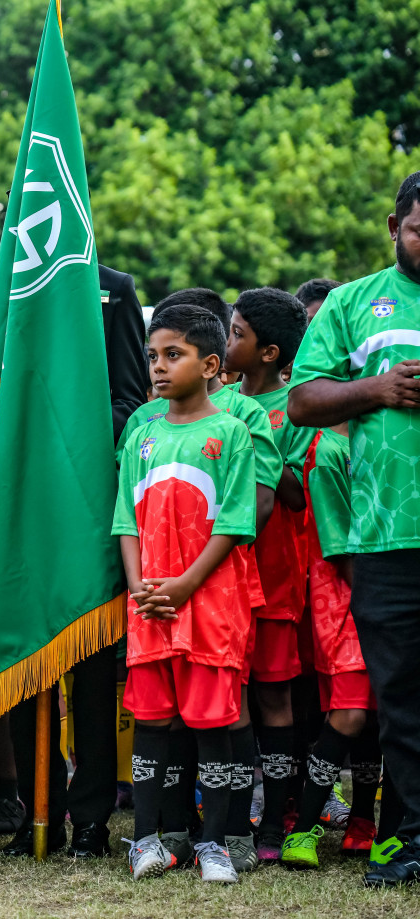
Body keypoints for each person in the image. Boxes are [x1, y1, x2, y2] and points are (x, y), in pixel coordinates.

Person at [0, 265, 149, 856]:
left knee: (92, 679)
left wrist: (68, 438)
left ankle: (91, 819)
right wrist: (26, 437)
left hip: (85, 508)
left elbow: (130, 397)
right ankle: (37, 812)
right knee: (22, 659)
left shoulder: (111, 287)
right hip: (16, 508)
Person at [116, 287, 281, 873]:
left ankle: (215, 843)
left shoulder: (232, 432)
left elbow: (237, 521)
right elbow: (125, 521)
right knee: (153, 720)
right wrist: (141, 587)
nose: (158, 366)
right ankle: (146, 839)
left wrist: (185, 584)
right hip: (151, 605)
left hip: (210, 603)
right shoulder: (141, 435)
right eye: (153, 355)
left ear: (211, 366)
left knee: (214, 721)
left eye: (173, 355)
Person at [287, 171, 420, 887]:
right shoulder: (351, 304)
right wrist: (378, 389)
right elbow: (304, 398)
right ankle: (410, 839)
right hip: (384, 536)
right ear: (394, 224)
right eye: (419, 229)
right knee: (398, 699)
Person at [221, 288, 314, 862]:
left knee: (275, 698)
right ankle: (231, 817)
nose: (228, 342)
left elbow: (302, 497)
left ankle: (276, 822)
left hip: (275, 575)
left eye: (237, 334)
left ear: (269, 352)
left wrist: (266, 455)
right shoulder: (217, 404)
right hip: (221, 577)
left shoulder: (296, 410)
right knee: (229, 700)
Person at [282, 425, 382, 868]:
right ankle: (302, 829)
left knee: (378, 713)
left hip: (387, 590)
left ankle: (363, 822)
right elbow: (335, 542)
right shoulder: (327, 448)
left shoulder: (382, 436)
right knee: (350, 709)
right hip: (346, 593)